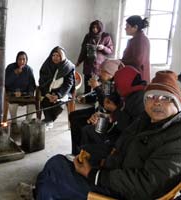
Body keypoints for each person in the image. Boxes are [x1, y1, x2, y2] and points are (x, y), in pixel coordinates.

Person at [19, 70, 181, 200]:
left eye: (166, 98)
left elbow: (145, 186)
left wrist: (95, 174)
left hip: (123, 192)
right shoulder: (146, 120)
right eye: (151, 97)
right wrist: (102, 160)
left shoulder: (176, 139)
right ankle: (40, 193)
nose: (157, 102)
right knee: (58, 163)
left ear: (177, 103)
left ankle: (40, 193)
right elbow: (122, 144)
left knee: (57, 169)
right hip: (114, 173)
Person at [69, 59, 122, 155]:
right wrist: (86, 98)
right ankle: (75, 151)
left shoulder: (114, 86)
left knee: (83, 126)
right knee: (73, 116)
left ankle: (82, 153)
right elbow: (96, 96)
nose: (100, 73)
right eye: (100, 70)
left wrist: (97, 88)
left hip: (107, 116)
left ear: (112, 74)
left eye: (103, 71)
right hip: (97, 109)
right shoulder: (106, 83)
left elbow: (106, 104)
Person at [38, 46, 75, 130]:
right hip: (48, 91)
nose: (55, 58)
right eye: (53, 55)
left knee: (59, 105)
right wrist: (47, 94)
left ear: (62, 56)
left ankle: (49, 120)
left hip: (62, 92)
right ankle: (49, 120)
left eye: (58, 55)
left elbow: (69, 83)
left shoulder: (68, 66)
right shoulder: (47, 65)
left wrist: (58, 95)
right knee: (45, 102)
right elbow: (42, 81)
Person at [76, 20, 114, 94]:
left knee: (99, 84)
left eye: (97, 27)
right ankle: (86, 98)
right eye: (93, 27)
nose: (95, 29)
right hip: (88, 64)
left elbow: (110, 50)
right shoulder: (88, 36)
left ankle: (97, 100)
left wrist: (103, 48)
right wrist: (79, 61)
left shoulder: (106, 36)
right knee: (87, 82)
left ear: (100, 28)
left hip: (100, 65)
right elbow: (83, 50)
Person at [5, 51, 36, 124]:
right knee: (13, 105)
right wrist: (14, 74)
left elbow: (32, 84)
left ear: (26, 60)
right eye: (19, 59)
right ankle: (14, 123)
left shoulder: (29, 69)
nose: (22, 61)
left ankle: (27, 122)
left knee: (32, 104)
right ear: (16, 60)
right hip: (12, 93)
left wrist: (30, 93)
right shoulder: (10, 67)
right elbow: (6, 83)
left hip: (25, 94)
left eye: (24, 59)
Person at [121, 15, 150, 82]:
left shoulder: (140, 40)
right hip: (134, 75)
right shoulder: (136, 39)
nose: (125, 28)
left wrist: (121, 61)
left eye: (127, 26)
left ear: (135, 27)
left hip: (138, 77)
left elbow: (138, 61)